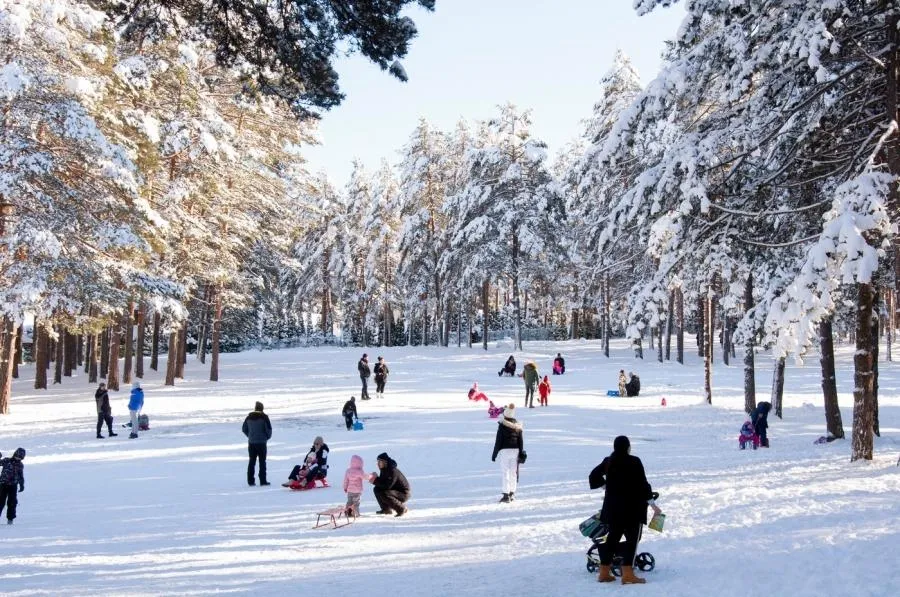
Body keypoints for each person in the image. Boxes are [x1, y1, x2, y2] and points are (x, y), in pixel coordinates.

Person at [591, 436, 659, 584]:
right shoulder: (634, 461)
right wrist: (653, 505)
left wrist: (605, 486)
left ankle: (604, 573)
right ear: (628, 447)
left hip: (613, 509)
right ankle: (627, 574)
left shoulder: (608, 461)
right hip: (632, 510)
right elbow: (643, 484)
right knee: (632, 540)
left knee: (612, 540)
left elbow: (593, 476)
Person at [491, 404, 524, 503]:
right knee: (513, 472)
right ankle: (512, 493)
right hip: (515, 450)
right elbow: (520, 441)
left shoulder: (502, 425)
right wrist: (521, 452)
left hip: (505, 451)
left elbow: (498, 441)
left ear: (505, 415)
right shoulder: (518, 426)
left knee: (505, 472)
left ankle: (506, 495)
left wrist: (494, 454)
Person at [369, 452, 410, 516]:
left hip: (403, 493)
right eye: (377, 462)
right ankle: (386, 509)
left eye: (380, 462)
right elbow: (383, 483)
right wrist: (375, 478)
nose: (378, 464)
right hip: (394, 491)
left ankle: (401, 508)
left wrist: (375, 480)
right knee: (376, 489)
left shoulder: (392, 470)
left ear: (385, 462)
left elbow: (387, 486)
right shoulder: (384, 469)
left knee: (384, 493)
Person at [242, 401, 272, 486]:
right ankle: (263, 480)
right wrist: (266, 437)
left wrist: (250, 436)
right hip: (262, 443)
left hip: (251, 442)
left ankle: (250, 481)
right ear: (262, 408)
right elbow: (269, 430)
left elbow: (244, 429)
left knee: (252, 461)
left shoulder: (248, 417)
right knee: (262, 461)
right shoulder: (264, 417)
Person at [0, 447, 25, 525]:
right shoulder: (7, 461)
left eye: (20, 457)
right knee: (0, 502)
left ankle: (10, 519)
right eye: (17, 456)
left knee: (12, 502)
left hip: (13, 486)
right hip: (3, 484)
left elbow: (21, 476)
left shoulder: (20, 465)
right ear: (14, 454)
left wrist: (21, 484)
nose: (18, 458)